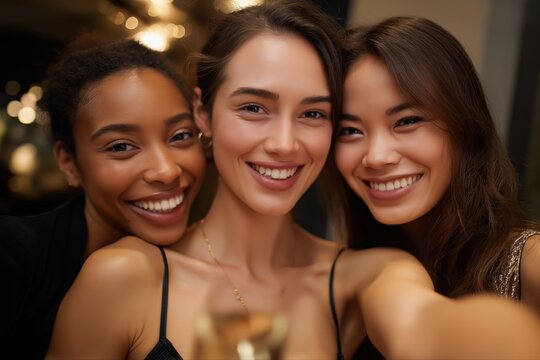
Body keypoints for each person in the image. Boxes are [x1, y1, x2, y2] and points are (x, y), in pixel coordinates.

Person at [47, 3, 540, 360]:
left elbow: (423, 328)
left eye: (313, 113)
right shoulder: (123, 278)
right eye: (254, 108)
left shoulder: (372, 274)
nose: (285, 143)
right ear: (203, 112)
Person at [331, 16, 540, 357]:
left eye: (408, 121)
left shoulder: (527, 261)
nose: (377, 156)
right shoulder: (356, 271)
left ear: (465, 127)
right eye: (350, 130)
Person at [0, 36, 206, 359]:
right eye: (121, 146)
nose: (166, 171)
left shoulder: (207, 266)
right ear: (69, 163)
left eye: (180, 136)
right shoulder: (14, 255)